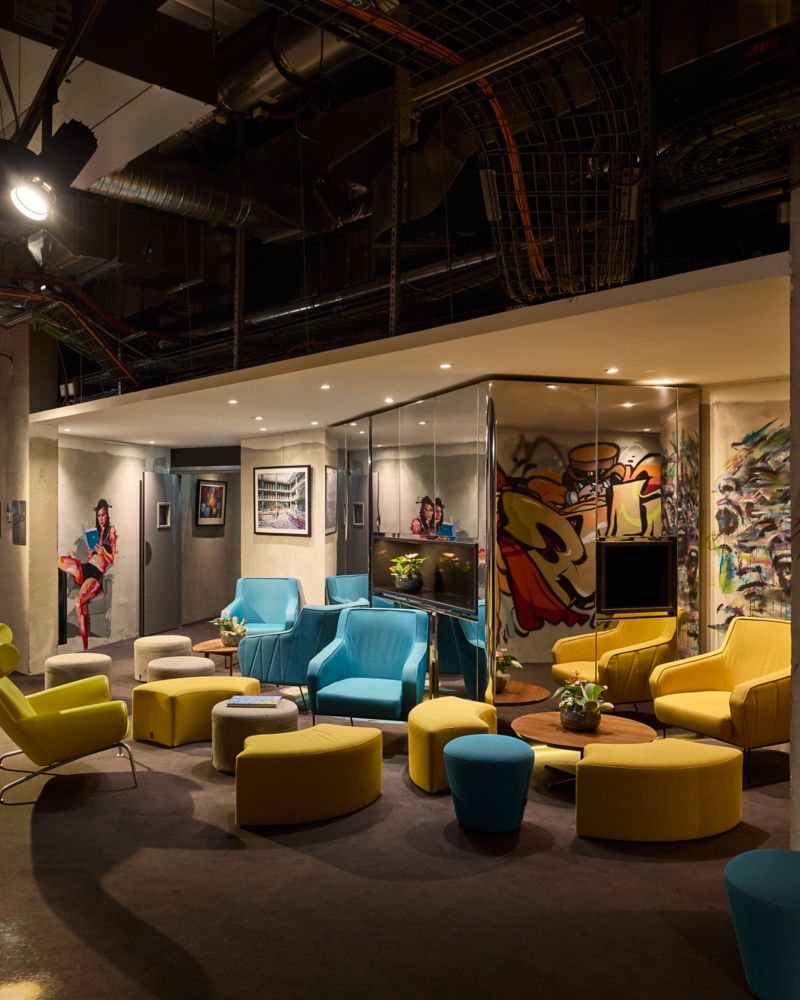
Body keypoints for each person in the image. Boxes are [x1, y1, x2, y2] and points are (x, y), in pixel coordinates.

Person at [58, 499, 118, 649]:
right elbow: (91, 557)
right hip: (87, 567)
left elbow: (113, 559)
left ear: (107, 515)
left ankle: (84, 645)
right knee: (61, 560)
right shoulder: (95, 532)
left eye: (103, 515)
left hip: (95, 574)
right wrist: (91, 554)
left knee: (79, 602)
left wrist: (103, 551)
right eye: (99, 515)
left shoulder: (111, 531)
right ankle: (57, 600)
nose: (101, 518)